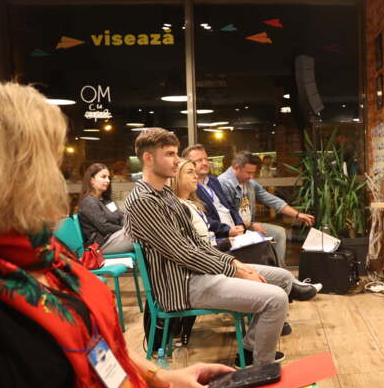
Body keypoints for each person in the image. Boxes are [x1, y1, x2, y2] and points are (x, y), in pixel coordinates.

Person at [0, 80, 234, 388]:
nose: (56, 178)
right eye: (48, 161)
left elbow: (96, 344)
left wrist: (161, 376)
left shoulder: (47, 254)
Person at [124, 128, 292, 367]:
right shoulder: (143, 201)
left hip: (199, 273)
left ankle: (248, 351)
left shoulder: (165, 195)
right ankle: (260, 368)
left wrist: (234, 263)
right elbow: (184, 253)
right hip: (182, 285)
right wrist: (235, 270)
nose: (177, 160)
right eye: (170, 154)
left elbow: (198, 243)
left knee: (282, 279)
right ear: (148, 158)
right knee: (275, 299)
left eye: (176, 153)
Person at [182, 145, 321, 299]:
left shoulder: (213, 181)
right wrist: (232, 230)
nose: (204, 163)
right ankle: (285, 286)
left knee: (274, 236)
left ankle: (286, 284)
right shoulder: (200, 186)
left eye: (206, 159)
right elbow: (204, 220)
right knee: (264, 245)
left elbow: (231, 207)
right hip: (223, 236)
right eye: (198, 161)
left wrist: (241, 225)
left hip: (239, 228)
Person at [218, 151, 315, 265]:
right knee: (262, 243)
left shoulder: (249, 183)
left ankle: (278, 270)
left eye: (253, 173)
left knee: (278, 233)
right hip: (233, 231)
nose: (251, 176)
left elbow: (271, 199)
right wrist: (250, 225)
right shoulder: (223, 183)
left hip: (248, 225)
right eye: (248, 173)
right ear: (236, 167)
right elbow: (228, 216)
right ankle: (276, 271)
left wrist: (297, 215)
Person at [78, 163, 133, 254]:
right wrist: (126, 229)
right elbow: (104, 227)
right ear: (92, 180)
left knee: (142, 232)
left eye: (108, 177)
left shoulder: (107, 200)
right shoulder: (89, 202)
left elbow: (120, 216)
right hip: (101, 244)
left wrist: (127, 227)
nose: (108, 180)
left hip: (115, 236)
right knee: (140, 234)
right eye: (103, 177)